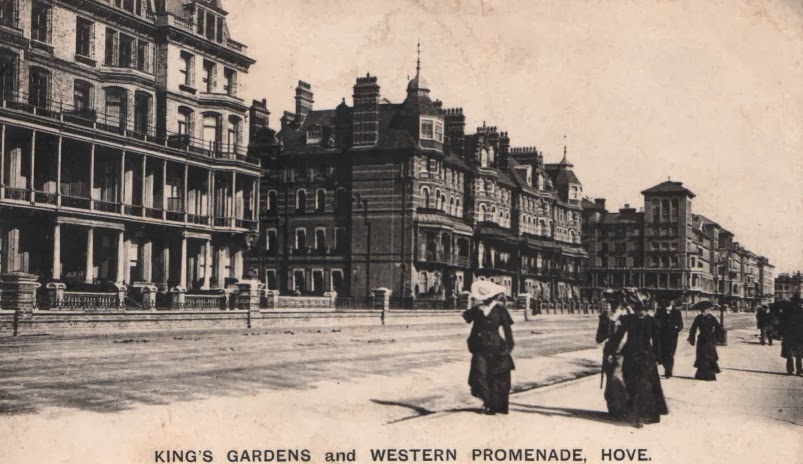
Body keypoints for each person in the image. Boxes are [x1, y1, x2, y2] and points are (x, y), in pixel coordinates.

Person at [605, 288, 668, 428]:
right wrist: (610, 351)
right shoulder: (632, 320)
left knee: (642, 386)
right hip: (634, 356)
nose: (640, 312)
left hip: (644, 358)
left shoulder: (650, 322)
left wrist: (660, 357)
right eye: (638, 310)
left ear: (646, 309)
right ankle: (639, 414)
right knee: (634, 385)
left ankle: (640, 416)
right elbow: (618, 337)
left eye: (641, 310)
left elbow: (657, 341)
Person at [463, 281, 515, 415]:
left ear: (493, 297)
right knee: (478, 375)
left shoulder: (500, 310)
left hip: (497, 349)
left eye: (487, 297)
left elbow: (508, 333)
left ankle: (493, 406)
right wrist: (472, 344)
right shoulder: (478, 310)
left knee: (497, 378)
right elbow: (472, 327)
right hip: (480, 348)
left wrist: (507, 349)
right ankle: (487, 402)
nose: (484, 300)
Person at [595, 289, 631, 419]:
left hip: (625, 353)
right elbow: (599, 338)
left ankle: (622, 409)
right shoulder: (607, 317)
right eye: (611, 300)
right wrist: (605, 322)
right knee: (611, 381)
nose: (613, 303)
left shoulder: (628, 317)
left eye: (616, 301)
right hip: (611, 354)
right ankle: (614, 409)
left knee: (620, 381)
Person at [687, 300, 722, 381]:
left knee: (710, 357)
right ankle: (701, 374)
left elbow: (718, 327)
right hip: (702, 339)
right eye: (702, 310)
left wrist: (716, 337)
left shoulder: (711, 317)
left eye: (706, 310)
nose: (704, 312)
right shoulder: (698, 318)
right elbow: (693, 329)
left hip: (710, 339)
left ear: (708, 310)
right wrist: (692, 338)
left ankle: (710, 375)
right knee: (701, 356)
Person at [654, 297, 684, 378]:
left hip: (672, 337)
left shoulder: (677, 312)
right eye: (666, 301)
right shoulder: (659, 311)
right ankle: (666, 367)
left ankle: (668, 371)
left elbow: (681, 324)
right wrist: (658, 328)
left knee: (670, 353)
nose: (668, 302)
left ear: (672, 302)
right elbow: (655, 321)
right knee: (662, 352)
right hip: (662, 336)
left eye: (670, 301)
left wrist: (676, 328)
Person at [779, 294, 803, 376]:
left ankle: (790, 370)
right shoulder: (801, 311)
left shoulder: (786, 311)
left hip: (788, 335)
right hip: (799, 335)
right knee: (798, 353)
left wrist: (781, 333)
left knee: (789, 353)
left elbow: (781, 322)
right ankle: (799, 370)